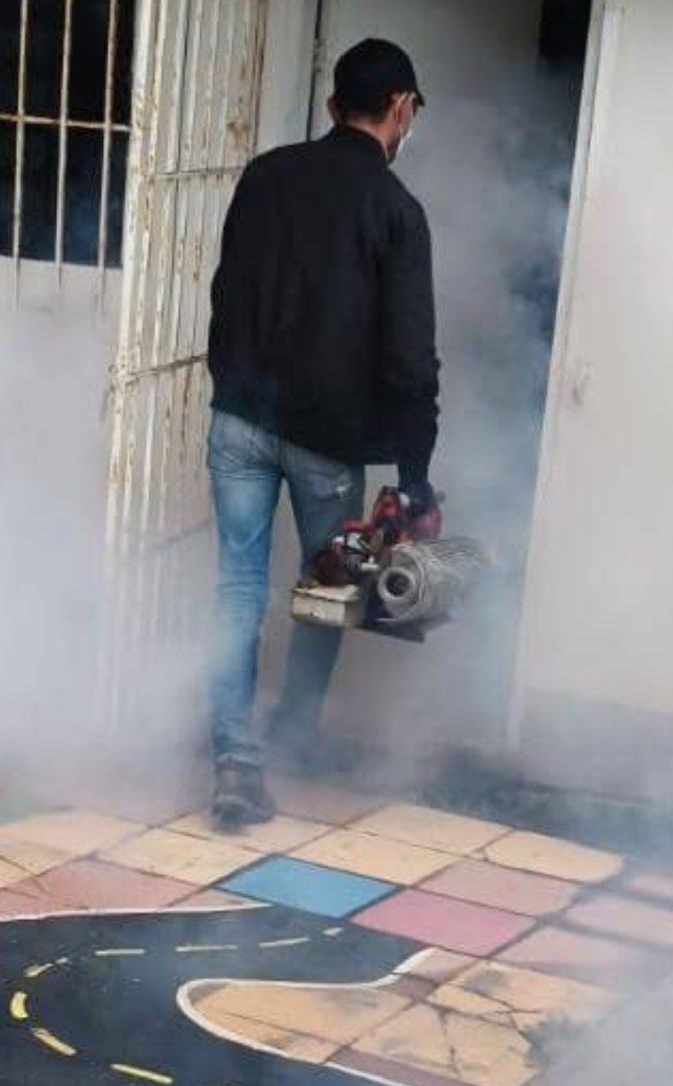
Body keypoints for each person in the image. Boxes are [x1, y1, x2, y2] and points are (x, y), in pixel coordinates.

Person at [202, 37, 441, 830]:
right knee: (325, 593)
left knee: (237, 590)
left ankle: (235, 759)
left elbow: (226, 288)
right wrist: (415, 473)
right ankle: (289, 740)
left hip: (238, 418)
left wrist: (231, 382)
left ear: (335, 106)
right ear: (400, 109)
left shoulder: (265, 175)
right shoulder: (397, 212)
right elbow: (410, 359)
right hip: (325, 442)